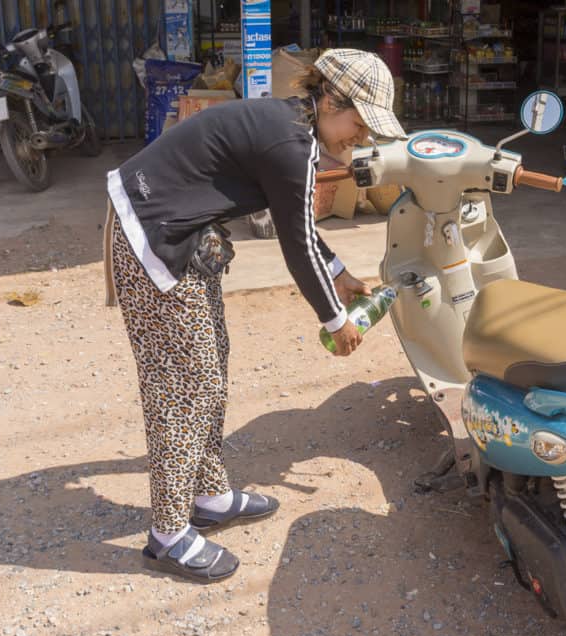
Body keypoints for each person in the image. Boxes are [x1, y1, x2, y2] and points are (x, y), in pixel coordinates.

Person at [102, 49, 405, 582]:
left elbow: (298, 225)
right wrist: (339, 321)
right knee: (183, 386)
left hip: (180, 231)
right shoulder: (293, 143)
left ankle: (209, 494)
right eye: (359, 124)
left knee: (211, 367)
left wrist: (336, 271)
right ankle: (169, 534)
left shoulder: (290, 127)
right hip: (152, 233)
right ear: (331, 100)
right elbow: (293, 241)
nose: (360, 138)